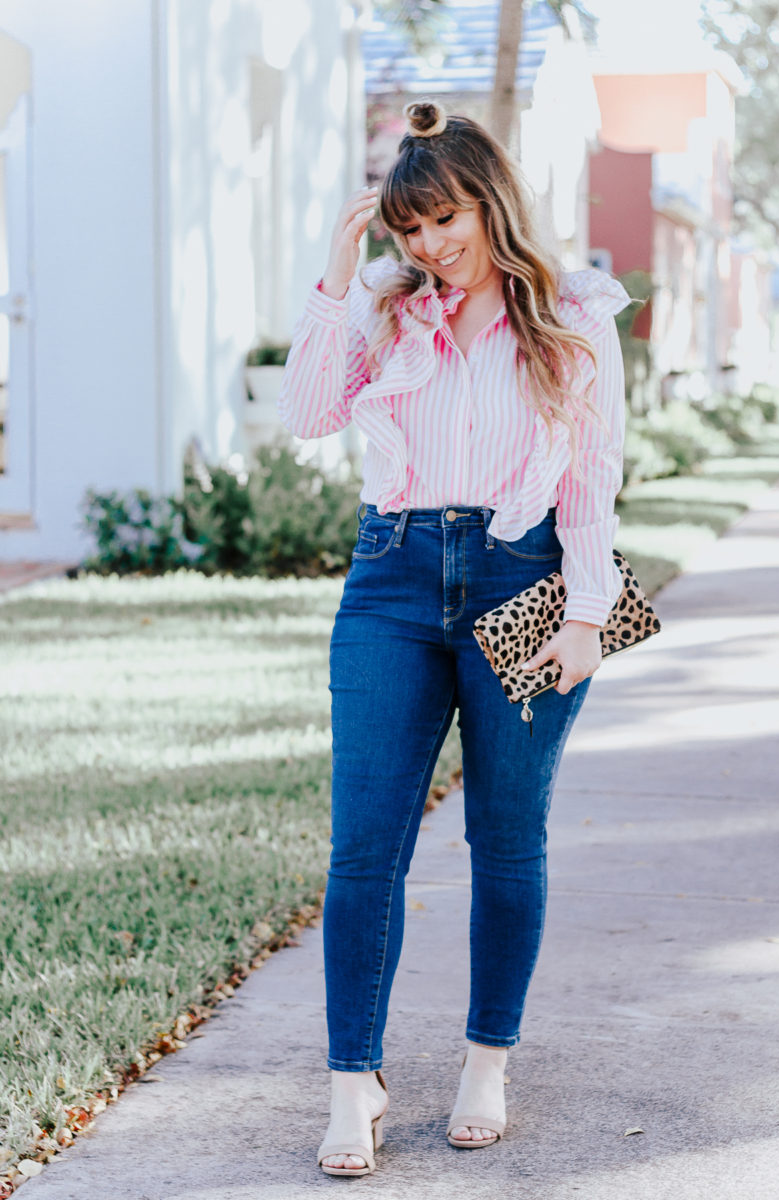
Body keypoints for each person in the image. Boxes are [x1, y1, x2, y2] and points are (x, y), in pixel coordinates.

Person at [277, 99, 630, 1178]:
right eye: (406, 229)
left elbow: (592, 480)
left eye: (444, 221)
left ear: (489, 202)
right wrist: (340, 267)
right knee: (362, 847)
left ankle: (486, 1060)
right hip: (389, 577)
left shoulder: (570, 312)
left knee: (505, 841)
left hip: (519, 571)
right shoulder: (385, 306)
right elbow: (305, 414)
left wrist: (584, 614)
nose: (428, 247)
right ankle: (354, 1084)